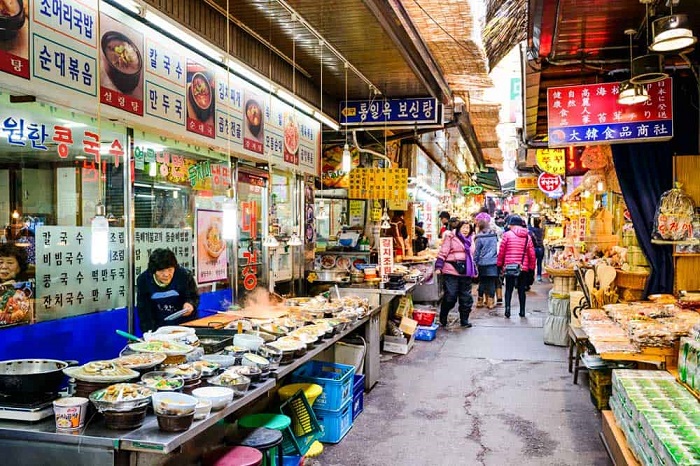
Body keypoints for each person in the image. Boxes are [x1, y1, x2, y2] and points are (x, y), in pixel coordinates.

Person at [137, 248, 199, 333]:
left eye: (170, 270)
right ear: (153, 270)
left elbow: (193, 296)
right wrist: (149, 333)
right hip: (160, 327)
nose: (166, 274)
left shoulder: (184, 275)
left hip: (185, 324)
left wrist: (190, 304)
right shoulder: (144, 280)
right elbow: (144, 311)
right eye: (162, 271)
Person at [434, 221, 477, 328]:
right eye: (464, 227)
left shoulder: (471, 239)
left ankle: (464, 320)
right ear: (458, 228)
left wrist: (474, 269)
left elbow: (472, 256)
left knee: (466, 298)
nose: (466, 230)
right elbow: (443, 251)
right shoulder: (451, 237)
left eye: (468, 228)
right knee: (450, 296)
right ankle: (443, 316)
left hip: (466, 272)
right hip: (451, 270)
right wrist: (439, 265)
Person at [497, 215, 536, 318]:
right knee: (521, 290)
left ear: (511, 224)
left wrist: (499, 264)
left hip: (509, 266)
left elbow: (502, 251)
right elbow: (532, 254)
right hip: (523, 267)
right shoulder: (527, 236)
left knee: (508, 289)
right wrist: (531, 268)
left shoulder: (507, 235)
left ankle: (507, 309)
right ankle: (522, 311)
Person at [473, 214, 498, 309]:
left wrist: (475, 263)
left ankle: (479, 301)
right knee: (491, 282)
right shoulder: (494, 235)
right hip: (493, 262)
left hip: (482, 263)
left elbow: (477, 252)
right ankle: (490, 302)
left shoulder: (479, 237)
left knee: (482, 282)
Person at [528, 217, 545, 281]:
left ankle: (532, 276)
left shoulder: (531, 229)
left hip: (534, 248)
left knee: (532, 263)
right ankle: (539, 276)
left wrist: (529, 217)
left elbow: (528, 225)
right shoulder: (541, 230)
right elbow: (543, 225)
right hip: (541, 248)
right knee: (539, 263)